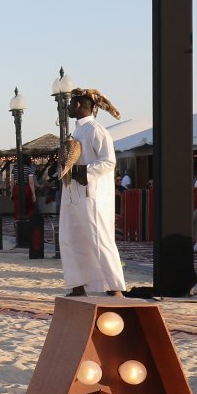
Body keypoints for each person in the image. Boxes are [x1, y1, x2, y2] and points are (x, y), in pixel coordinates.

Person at [60, 87, 127, 296]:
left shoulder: (96, 130)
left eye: (71, 104)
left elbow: (109, 161)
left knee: (100, 239)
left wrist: (84, 171)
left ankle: (116, 287)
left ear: (78, 105)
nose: (68, 107)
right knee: (70, 238)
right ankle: (78, 285)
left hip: (92, 195)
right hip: (73, 193)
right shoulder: (78, 131)